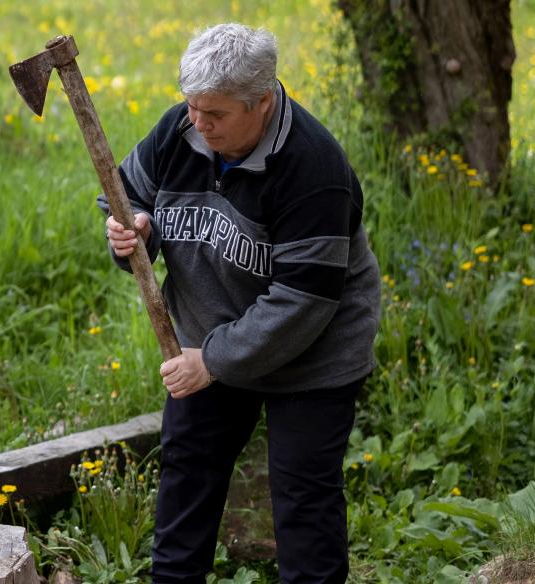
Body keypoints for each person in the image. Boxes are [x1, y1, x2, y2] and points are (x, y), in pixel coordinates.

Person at [98, 23, 381, 583]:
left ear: (264, 102)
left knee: (303, 501)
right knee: (187, 477)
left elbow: (302, 302)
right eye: (192, 107)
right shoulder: (182, 129)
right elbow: (126, 194)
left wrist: (213, 361)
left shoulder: (313, 167)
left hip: (312, 358)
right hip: (212, 341)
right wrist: (133, 231)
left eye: (216, 115)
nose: (199, 125)